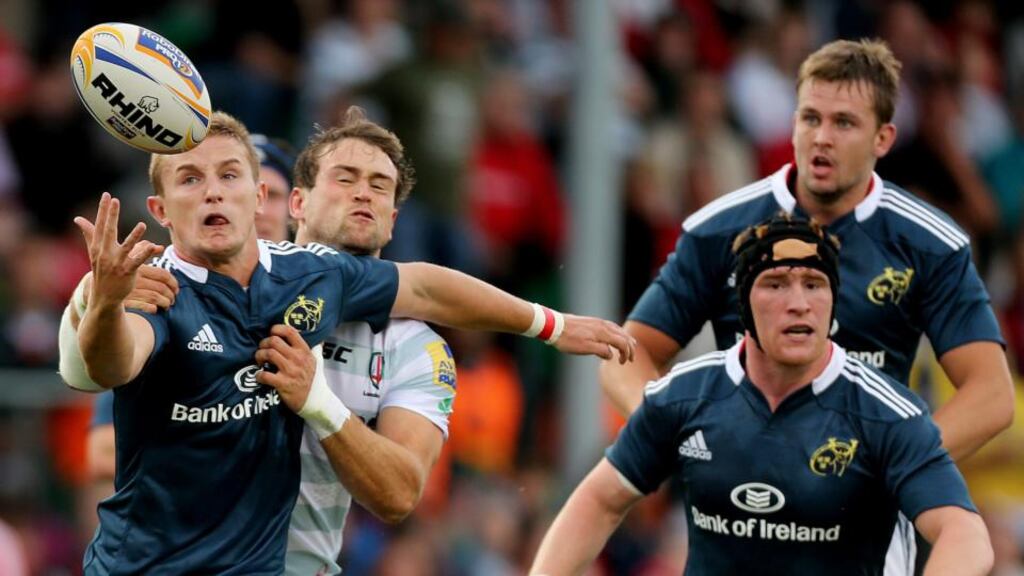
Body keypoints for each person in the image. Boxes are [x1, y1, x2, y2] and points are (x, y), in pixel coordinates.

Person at [59, 110, 633, 574]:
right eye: (345, 179)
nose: (364, 194)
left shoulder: (394, 333)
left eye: (379, 185)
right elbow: (101, 373)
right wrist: (98, 302)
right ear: (293, 204)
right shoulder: (162, 285)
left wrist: (550, 325)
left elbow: (401, 491)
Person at [599, 38, 1013, 573]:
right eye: (810, 118)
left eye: (844, 123)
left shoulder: (928, 243)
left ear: (883, 138)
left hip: (862, 523)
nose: (821, 138)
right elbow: (625, 354)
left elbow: (992, 394)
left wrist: (887, 467)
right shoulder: (720, 229)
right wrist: (682, 440)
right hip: (737, 504)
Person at [532, 214, 994, 576]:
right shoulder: (685, 397)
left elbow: (964, 532)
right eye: (776, 284)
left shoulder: (887, 413)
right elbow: (600, 500)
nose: (799, 302)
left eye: (814, 285)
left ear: (833, 304)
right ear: (744, 308)